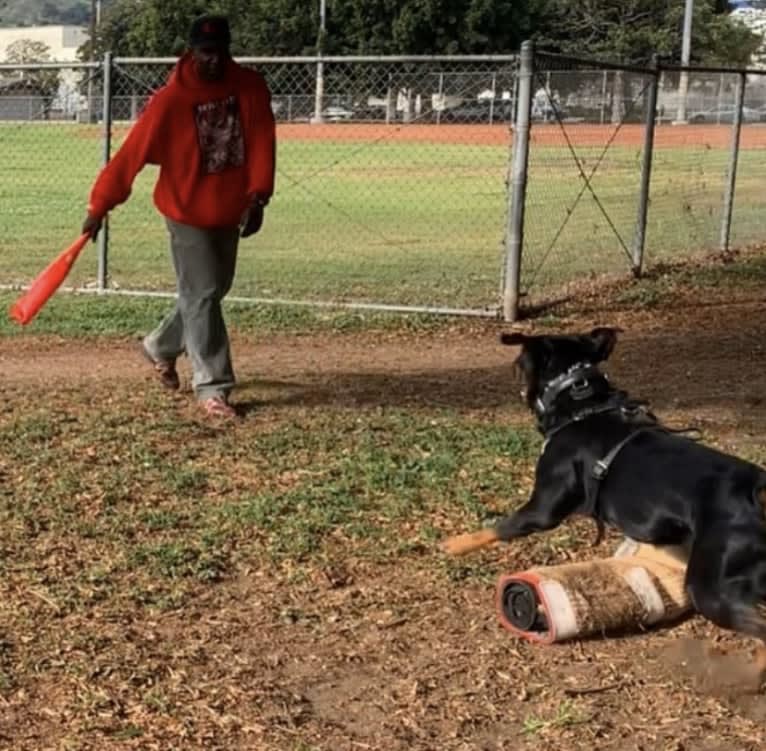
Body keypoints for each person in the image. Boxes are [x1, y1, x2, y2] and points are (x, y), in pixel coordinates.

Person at [82, 14, 276, 419]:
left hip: (229, 208)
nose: (212, 60)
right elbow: (129, 157)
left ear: (228, 51)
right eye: (205, 52)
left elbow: (261, 141)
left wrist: (258, 196)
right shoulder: (170, 101)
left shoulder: (249, 88)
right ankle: (212, 386)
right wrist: (99, 206)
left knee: (210, 290)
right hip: (185, 211)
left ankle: (160, 346)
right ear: (191, 52)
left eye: (219, 52)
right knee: (203, 294)